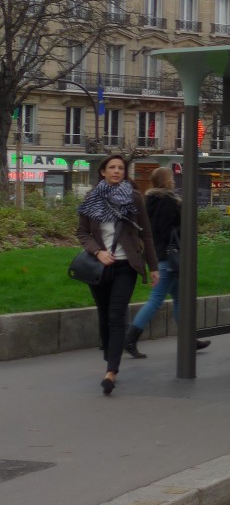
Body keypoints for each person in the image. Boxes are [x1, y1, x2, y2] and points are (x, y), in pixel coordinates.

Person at [75, 153, 158, 395]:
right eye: (111, 167)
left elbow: (147, 235)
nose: (116, 171)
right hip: (100, 267)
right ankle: (110, 354)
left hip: (126, 266)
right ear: (103, 171)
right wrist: (98, 252)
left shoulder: (133, 198)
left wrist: (153, 267)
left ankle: (111, 371)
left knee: (116, 315)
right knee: (104, 315)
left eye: (120, 168)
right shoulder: (92, 198)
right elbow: (82, 232)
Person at [123, 167, 210, 358]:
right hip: (170, 257)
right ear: (165, 181)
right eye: (171, 177)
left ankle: (189, 339)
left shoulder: (150, 201)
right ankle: (130, 339)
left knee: (179, 298)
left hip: (162, 255)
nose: (173, 180)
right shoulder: (167, 202)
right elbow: (170, 229)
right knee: (156, 299)